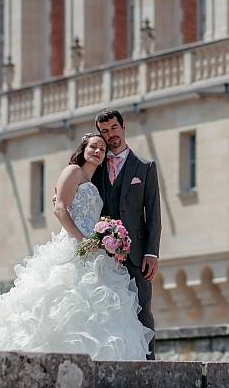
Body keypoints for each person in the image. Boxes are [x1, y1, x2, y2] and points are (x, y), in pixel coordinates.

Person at [0, 131, 153, 358]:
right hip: (74, 246)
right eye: (93, 147)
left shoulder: (94, 182)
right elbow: (60, 208)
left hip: (93, 250)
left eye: (102, 150)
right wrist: (81, 240)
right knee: (62, 300)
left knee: (94, 309)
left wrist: (105, 237)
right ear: (83, 150)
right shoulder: (73, 171)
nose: (98, 151)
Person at [91, 107, 161, 358]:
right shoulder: (95, 168)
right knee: (106, 312)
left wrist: (152, 253)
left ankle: (150, 365)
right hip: (102, 256)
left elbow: (152, 214)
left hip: (137, 255)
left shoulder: (145, 167)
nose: (111, 135)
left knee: (142, 311)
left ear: (123, 127)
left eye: (114, 128)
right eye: (105, 131)